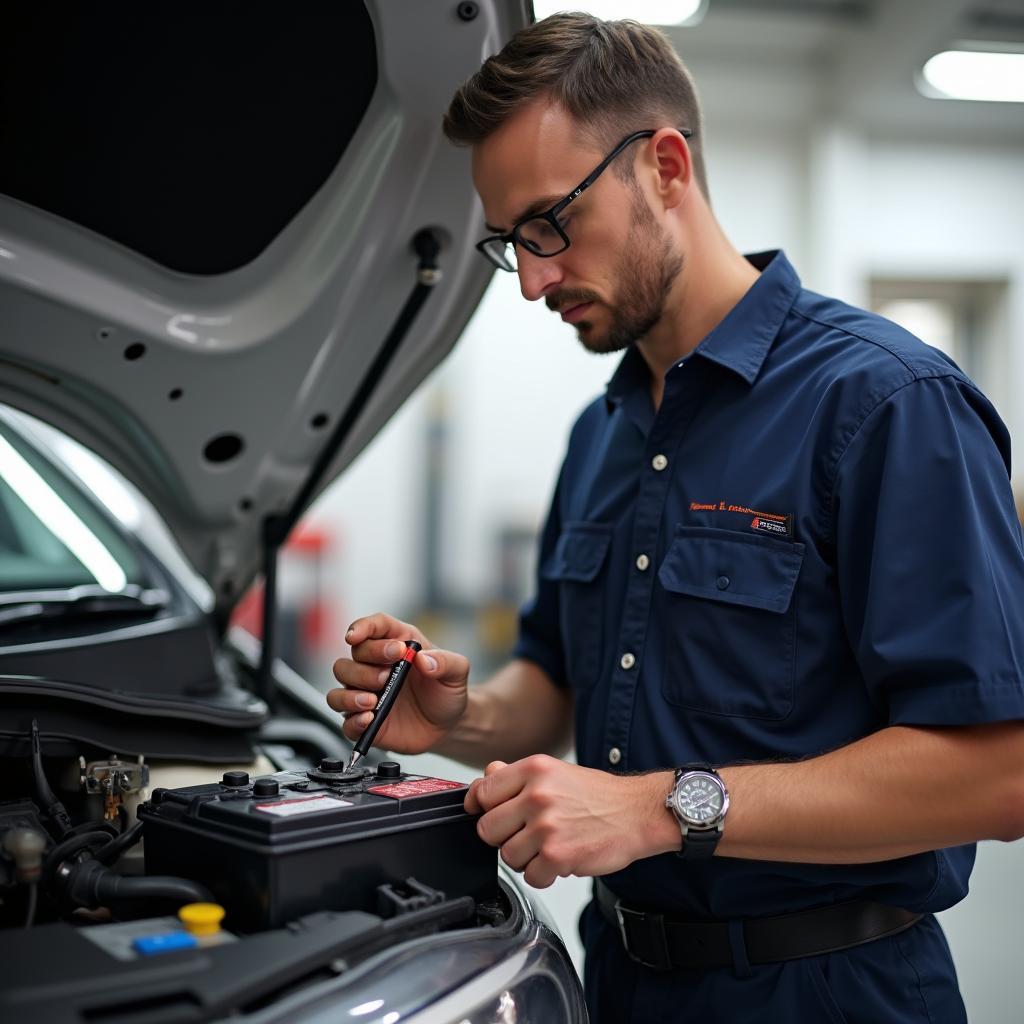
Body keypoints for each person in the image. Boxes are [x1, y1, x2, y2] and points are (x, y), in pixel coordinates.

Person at [328, 14, 1024, 1023]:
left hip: (825, 992)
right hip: (615, 979)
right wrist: (459, 718)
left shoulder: (884, 403)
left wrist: (657, 808)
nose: (529, 280)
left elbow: (997, 773)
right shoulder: (602, 431)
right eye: (508, 243)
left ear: (663, 165)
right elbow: (556, 685)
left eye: (549, 224)